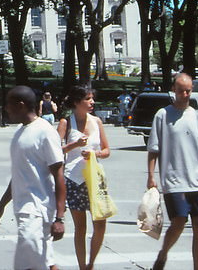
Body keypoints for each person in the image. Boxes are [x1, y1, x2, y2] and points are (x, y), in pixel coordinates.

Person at [0, 86, 66, 270]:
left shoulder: (45, 131)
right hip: (24, 208)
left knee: (30, 266)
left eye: (9, 104)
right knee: (45, 263)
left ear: (21, 105)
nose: (6, 109)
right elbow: (18, 175)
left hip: (37, 210)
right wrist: (1, 206)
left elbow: (59, 175)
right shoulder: (20, 131)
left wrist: (60, 218)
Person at [146, 72, 198, 270]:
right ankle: (163, 254)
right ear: (174, 91)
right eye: (181, 90)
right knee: (179, 221)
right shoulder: (163, 115)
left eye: (188, 91)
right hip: (175, 180)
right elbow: (153, 150)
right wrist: (151, 177)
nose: (185, 94)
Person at [57, 85, 111, 270]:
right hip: (74, 179)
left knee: (100, 224)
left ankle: (91, 263)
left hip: (95, 178)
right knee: (81, 227)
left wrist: (95, 153)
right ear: (76, 102)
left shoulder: (97, 121)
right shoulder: (66, 122)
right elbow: (56, 151)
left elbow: (107, 150)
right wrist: (75, 144)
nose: (92, 102)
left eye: (92, 98)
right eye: (88, 99)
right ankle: (82, 266)